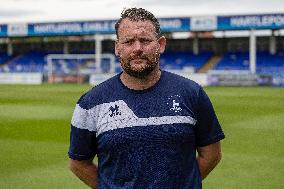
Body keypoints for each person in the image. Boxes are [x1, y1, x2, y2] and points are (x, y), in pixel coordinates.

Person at [68, 7, 225, 189]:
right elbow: (78, 163)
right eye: (128, 41)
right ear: (117, 47)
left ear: (161, 44)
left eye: (145, 40)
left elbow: (212, 155)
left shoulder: (192, 93)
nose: (137, 48)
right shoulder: (90, 102)